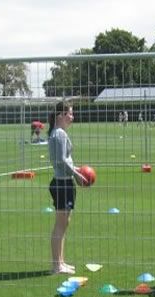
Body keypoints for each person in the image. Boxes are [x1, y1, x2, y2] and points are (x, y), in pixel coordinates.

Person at [48, 101, 88, 275]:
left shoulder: (59, 133)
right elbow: (61, 161)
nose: (72, 117)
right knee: (60, 224)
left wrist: (76, 169)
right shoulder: (59, 134)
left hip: (64, 181)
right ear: (61, 115)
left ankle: (61, 262)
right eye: (70, 113)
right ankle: (57, 265)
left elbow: (65, 160)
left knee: (64, 224)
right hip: (62, 183)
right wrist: (77, 174)